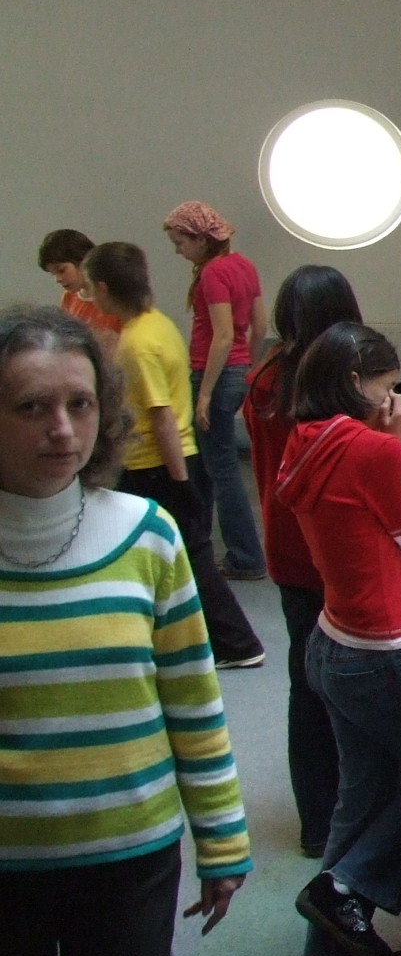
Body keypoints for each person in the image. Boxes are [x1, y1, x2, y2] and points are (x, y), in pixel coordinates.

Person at [0, 305, 250, 956]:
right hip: (5, 869)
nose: (61, 430)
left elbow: (192, 697)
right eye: (30, 407)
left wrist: (222, 838)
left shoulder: (146, 535)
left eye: (78, 404)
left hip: (127, 857)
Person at [274, 324, 401, 956]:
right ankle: (342, 890)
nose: (394, 396)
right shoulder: (375, 451)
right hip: (378, 654)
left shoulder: (307, 437)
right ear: (355, 383)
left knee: (361, 793)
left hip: (333, 641)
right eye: (385, 384)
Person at [83, 241, 264, 668]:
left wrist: (180, 482)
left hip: (157, 466)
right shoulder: (157, 324)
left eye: (89, 287)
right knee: (183, 553)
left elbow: (161, 416)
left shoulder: (137, 343)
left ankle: (238, 644)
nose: (88, 295)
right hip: (166, 461)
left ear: (104, 288)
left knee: (192, 555)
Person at [244, 265, 361, 857]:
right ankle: (353, 812)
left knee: (305, 682)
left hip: (286, 545)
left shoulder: (266, 376)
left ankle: (317, 821)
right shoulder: (337, 387)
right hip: (335, 551)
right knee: (353, 685)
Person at [161, 201, 267, 580]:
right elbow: (259, 325)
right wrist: (247, 367)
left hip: (214, 374)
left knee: (221, 469)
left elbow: (222, 336)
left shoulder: (213, 273)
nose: (178, 251)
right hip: (234, 371)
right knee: (212, 466)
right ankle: (200, 541)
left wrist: (205, 393)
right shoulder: (244, 265)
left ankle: (246, 557)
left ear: (201, 239)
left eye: (180, 243)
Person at [37, 229, 122, 338]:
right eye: (53, 274)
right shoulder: (68, 298)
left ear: (83, 260)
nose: (58, 279)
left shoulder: (116, 298)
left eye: (61, 270)